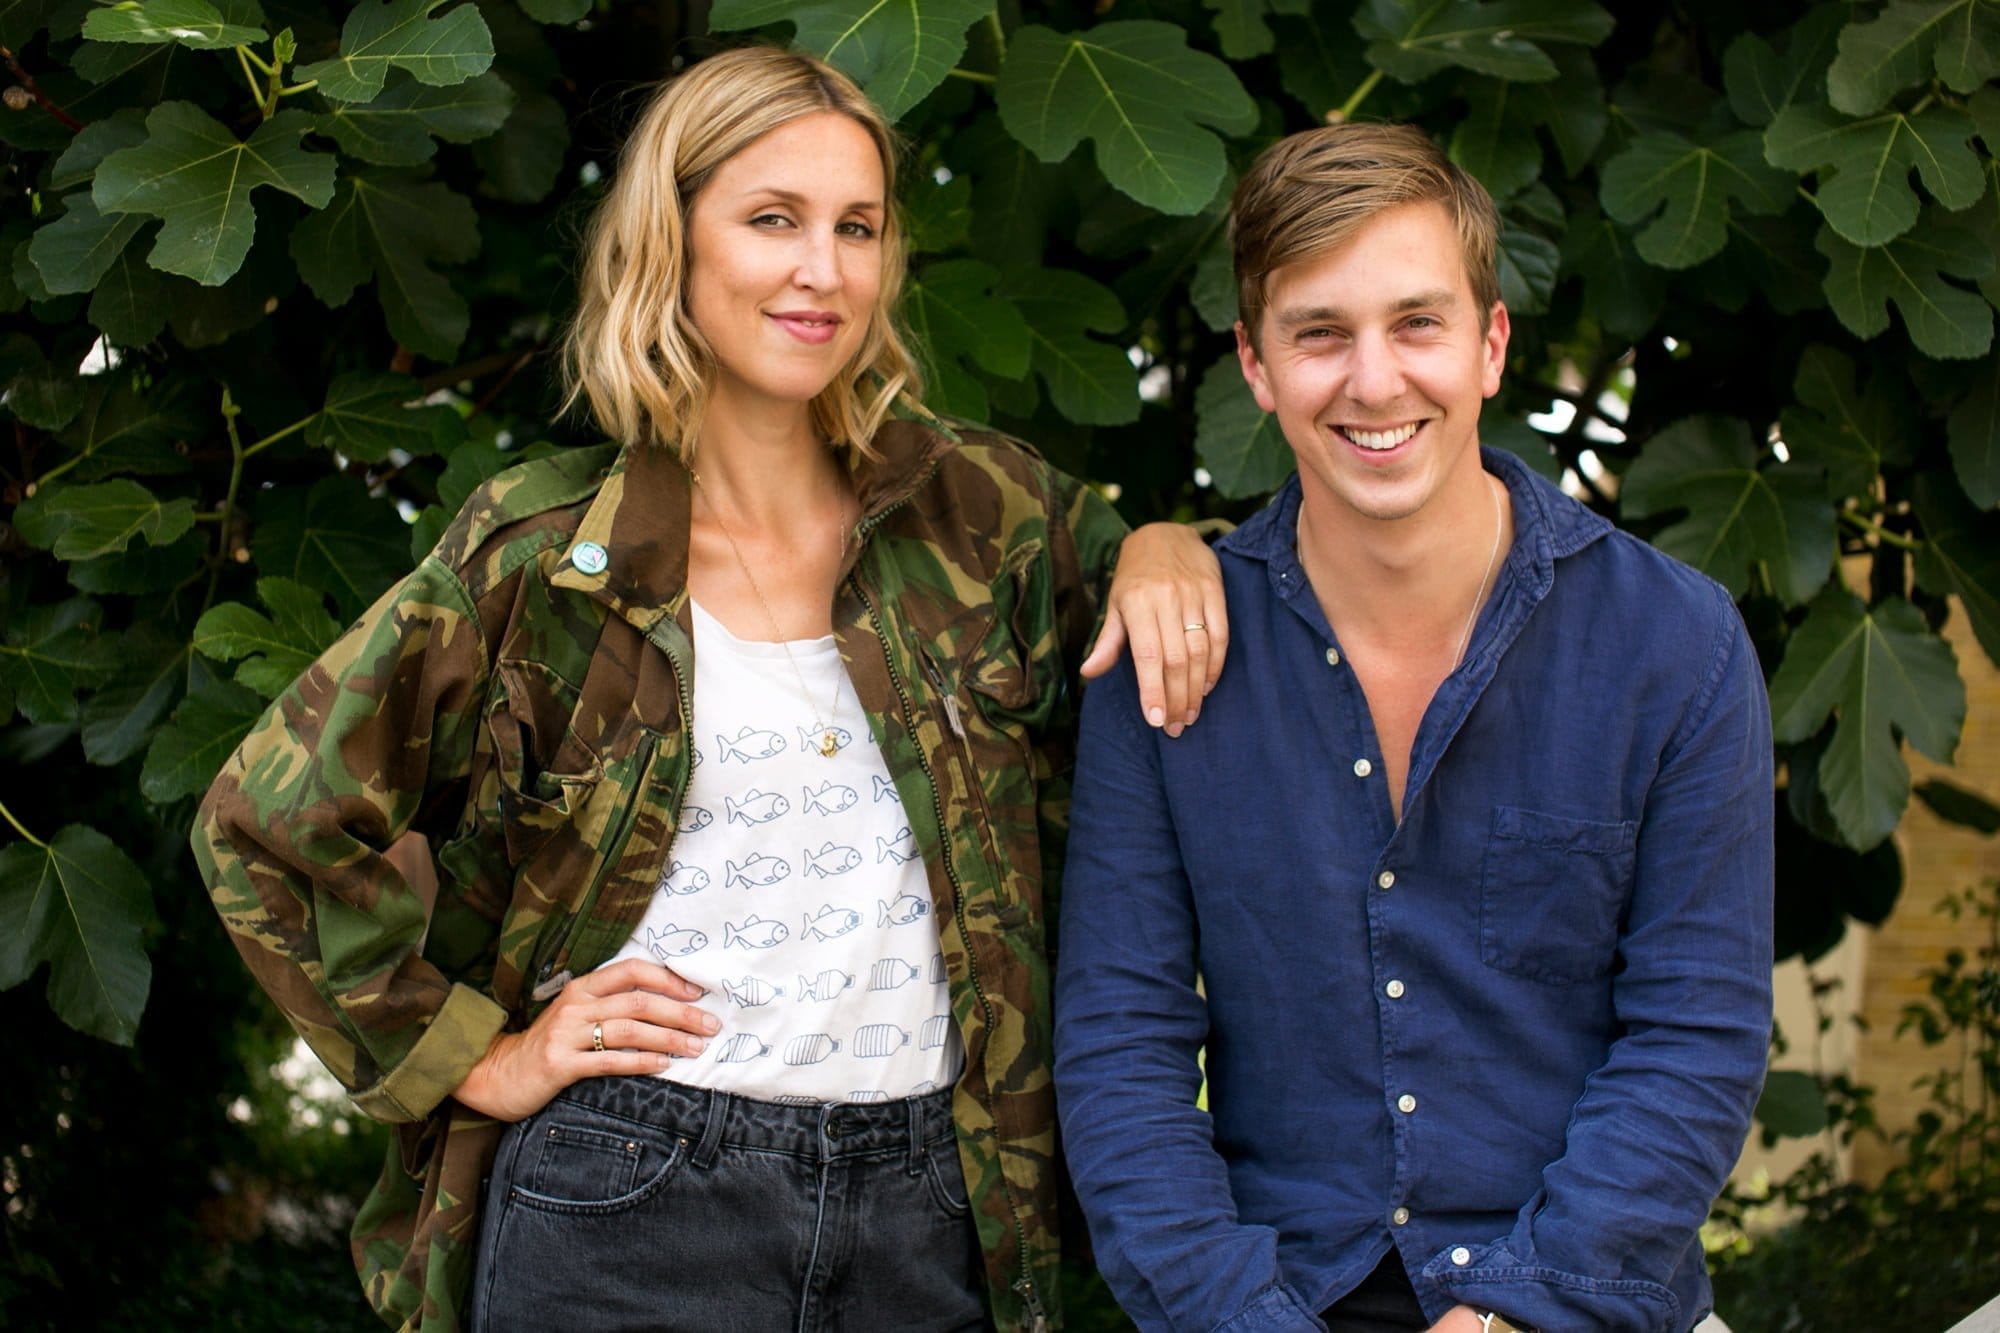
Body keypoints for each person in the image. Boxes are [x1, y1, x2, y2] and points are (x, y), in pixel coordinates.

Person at [194, 46, 1229, 1333]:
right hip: (630, 1196)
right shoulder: (545, 557)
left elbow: (1170, 612)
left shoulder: (980, 510)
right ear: (670, 240)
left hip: (931, 1204)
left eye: (856, 227)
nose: (823, 270)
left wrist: (1165, 542)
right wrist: (477, 1054)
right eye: (772, 220)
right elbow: (266, 827)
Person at [1052, 122, 1774, 1333]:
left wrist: (1511, 1313)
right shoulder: (1168, 659)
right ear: (1254, 366)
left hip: (1579, 1302)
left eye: (1416, 323)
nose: (1375, 381)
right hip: (1273, 1303)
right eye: (1319, 334)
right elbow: (1121, 1052)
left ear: (1490, 344)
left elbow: (1692, 1039)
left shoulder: (1672, 643)